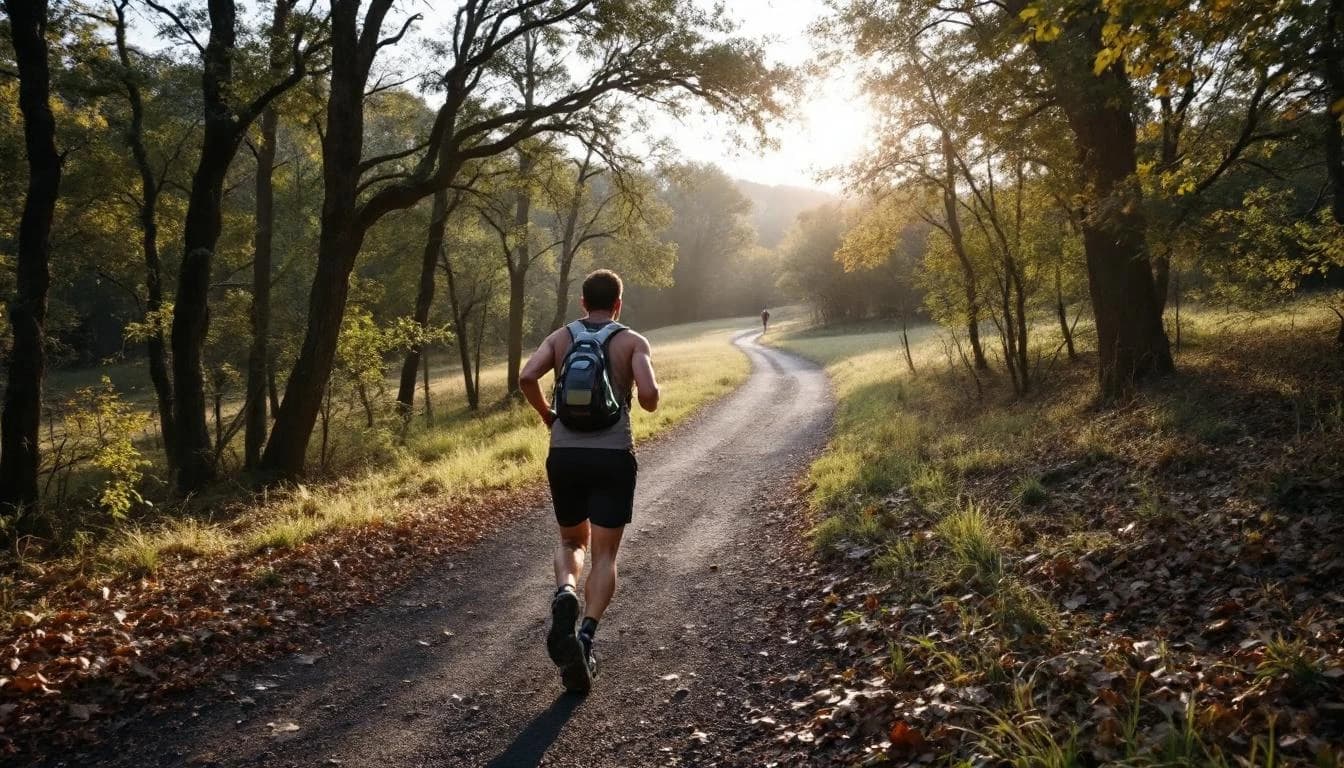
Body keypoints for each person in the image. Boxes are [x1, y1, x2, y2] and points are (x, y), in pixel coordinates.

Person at [518, 269, 660, 692]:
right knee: (605, 555)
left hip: (565, 455)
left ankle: (565, 591)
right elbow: (649, 398)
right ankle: (585, 638)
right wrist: (641, 387)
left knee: (570, 541)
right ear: (618, 303)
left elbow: (527, 377)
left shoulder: (560, 338)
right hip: (613, 455)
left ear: (582, 302)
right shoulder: (632, 341)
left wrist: (548, 415)